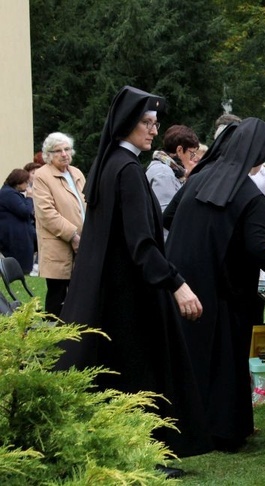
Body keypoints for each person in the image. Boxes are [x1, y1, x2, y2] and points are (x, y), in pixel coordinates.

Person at [56, 86, 211, 466]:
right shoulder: (126, 170)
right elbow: (142, 242)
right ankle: (146, 456)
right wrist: (178, 284)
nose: (153, 130)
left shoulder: (112, 164)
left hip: (115, 291)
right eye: (146, 122)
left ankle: (133, 453)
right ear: (126, 123)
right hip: (131, 295)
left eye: (155, 123)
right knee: (140, 377)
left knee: (124, 376)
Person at [165, 117, 265, 452]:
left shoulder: (200, 177)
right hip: (225, 286)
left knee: (194, 354)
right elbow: (256, 245)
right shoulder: (249, 194)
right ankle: (225, 430)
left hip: (185, 278)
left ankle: (190, 424)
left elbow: (168, 217)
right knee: (227, 357)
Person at [33, 132, 86, 316]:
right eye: (58, 151)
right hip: (58, 245)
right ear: (48, 154)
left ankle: (76, 338)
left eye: (67, 149)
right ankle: (53, 339)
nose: (64, 154)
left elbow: (85, 203)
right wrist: (73, 235)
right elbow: (46, 213)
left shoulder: (76, 172)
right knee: (58, 295)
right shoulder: (42, 176)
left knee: (80, 295)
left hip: (82, 242)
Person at [146, 124, 200, 211]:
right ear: (179, 150)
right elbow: (164, 214)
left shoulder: (170, 170)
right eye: (192, 153)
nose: (193, 158)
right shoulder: (164, 173)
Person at [0, 169, 36, 273]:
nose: (27, 185)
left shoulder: (10, 193)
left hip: (18, 237)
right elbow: (25, 212)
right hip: (15, 239)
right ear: (18, 182)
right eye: (26, 182)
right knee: (21, 269)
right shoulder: (9, 194)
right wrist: (29, 198)